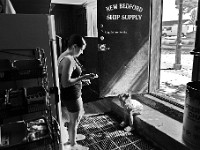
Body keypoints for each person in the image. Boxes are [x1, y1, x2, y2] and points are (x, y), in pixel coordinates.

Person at [58, 34, 97, 150]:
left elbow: (66, 78)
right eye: (81, 50)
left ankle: (72, 137)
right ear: (75, 46)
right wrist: (82, 77)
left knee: (77, 117)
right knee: (75, 119)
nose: (82, 53)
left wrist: (82, 81)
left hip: (71, 93)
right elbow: (65, 83)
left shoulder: (64, 55)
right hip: (71, 95)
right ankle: (73, 145)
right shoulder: (68, 60)